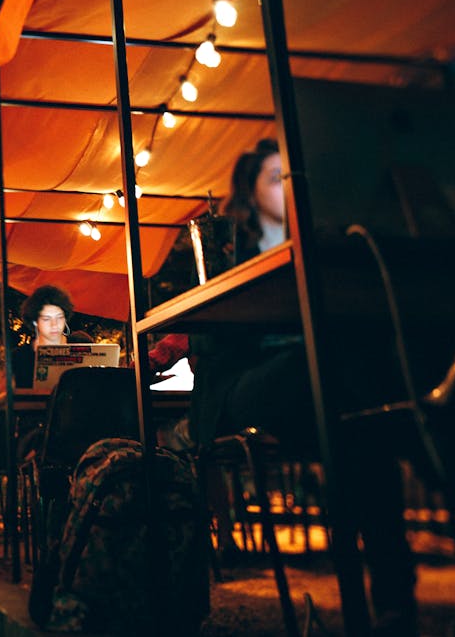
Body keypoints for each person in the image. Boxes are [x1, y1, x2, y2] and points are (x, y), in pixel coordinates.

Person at [180, 138, 420, 633]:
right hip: (249, 384)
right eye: (274, 177)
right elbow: (207, 337)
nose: (287, 186)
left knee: (362, 433)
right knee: (347, 385)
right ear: (250, 192)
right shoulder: (229, 250)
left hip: (324, 393)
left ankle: (392, 600)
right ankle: (439, 462)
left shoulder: (330, 246)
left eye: (292, 176)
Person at [13, 284, 81, 390]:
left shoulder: (81, 347)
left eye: (59, 318)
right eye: (46, 319)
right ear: (35, 322)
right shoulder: (20, 357)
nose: (54, 325)